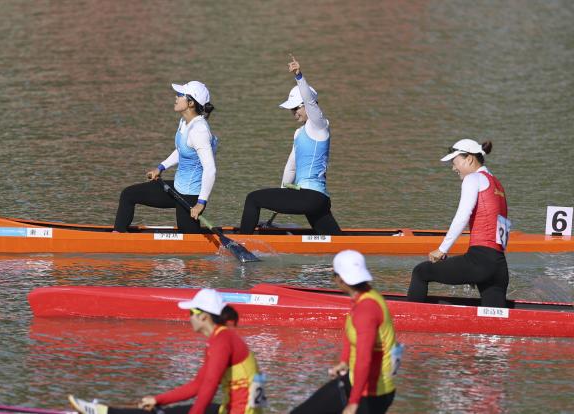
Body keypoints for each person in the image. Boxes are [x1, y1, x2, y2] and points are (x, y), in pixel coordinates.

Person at [68, 288, 267, 414]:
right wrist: (158, 399)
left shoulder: (222, 341)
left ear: (204, 317)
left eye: (191, 312)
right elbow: (197, 385)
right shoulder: (220, 338)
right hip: (236, 408)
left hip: (242, 411)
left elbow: (210, 385)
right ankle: (106, 411)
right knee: (164, 410)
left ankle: (104, 412)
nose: (188, 317)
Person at [239, 56, 342, 235]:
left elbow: (310, 101)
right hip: (316, 200)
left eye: (296, 108)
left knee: (253, 199)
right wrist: (278, 201)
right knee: (337, 243)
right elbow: (291, 169)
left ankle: (241, 242)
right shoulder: (298, 133)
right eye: (291, 110)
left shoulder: (319, 125)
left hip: (309, 197)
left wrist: (299, 76)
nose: (293, 113)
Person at [291, 250, 400, 414]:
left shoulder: (366, 310)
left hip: (370, 394)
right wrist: (344, 362)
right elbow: (352, 334)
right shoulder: (366, 296)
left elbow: (364, 359)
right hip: (354, 381)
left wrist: (353, 403)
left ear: (340, 279)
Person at [407, 139, 510, 308]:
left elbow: (462, 216)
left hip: (480, 261)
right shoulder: (497, 184)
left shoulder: (473, 179)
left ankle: (408, 320)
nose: (453, 168)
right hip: (499, 266)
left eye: (455, 162)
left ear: (469, 159)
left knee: (421, 272)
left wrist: (442, 250)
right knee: (494, 324)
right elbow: (500, 229)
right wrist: (475, 272)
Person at [113, 81, 218, 233]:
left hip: (191, 197)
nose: (176, 97)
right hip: (178, 188)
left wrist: (201, 203)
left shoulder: (199, 131)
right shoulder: (185, 122)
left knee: (189, 242)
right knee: (128, 195)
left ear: (190, 103)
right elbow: (181, 150)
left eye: (180, 95)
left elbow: (210, 169)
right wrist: (160, 167)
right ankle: (117, 235)